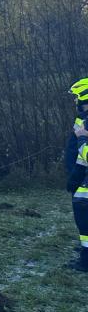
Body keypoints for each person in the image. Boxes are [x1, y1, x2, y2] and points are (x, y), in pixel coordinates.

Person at [67, 77, 88, 272]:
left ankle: (86, 260)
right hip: (81, 176)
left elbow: (85, 154)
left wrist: (81, 139)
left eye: (77, 97)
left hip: (84, 182)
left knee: (84, 221)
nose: (75, 101)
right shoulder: (83, 119)